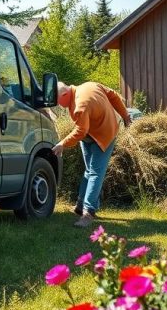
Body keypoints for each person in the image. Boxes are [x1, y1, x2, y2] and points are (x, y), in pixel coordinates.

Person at [52, 81, 131, 228]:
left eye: (57, 101)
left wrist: (63, 143)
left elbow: (80, 130)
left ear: (64, 94)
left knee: (95, 172)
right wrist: (125, 116)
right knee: (89, 170)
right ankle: (81, 205)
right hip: (89, 132)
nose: (57, 105)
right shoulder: (88, 85)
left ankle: (88, 213)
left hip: (104, 133)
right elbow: (113, 95)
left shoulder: (81, 104)